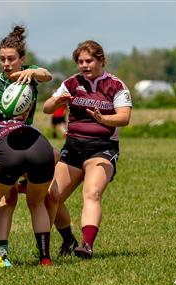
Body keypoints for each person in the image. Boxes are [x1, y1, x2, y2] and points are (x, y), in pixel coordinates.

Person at [43, 40, 132, 259]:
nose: (84, 65)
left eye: (89, 60)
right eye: (80, 61)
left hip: (102, 150)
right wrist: (57, 102)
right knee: (51, 197)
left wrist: (103, 118)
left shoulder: (115, 85)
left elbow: (124, 118)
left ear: (101, 60)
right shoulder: (72, 83)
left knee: (91, 193)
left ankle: (87, 245)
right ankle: (68, 240)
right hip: (72, 149)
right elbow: (46, 108)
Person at [0, 24, 52, 268]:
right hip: (4, 139)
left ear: (21, 59)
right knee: (9, 199)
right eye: (2, 59)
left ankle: (47, 254)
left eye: (11, 59)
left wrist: (32, 75)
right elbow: (10, 112)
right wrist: (17, 82)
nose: (6, 63)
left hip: (29, 135)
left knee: (45, 196)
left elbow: (48, 75)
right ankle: (2, 255)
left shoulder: (30, 72)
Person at [0, 95, 55, 269]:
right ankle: (45, 258)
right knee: (37, 204)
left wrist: (8, 185)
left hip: (8, 155)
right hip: (44, 151)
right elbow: (55, 155)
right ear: (26, 110)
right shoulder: (31, 127)